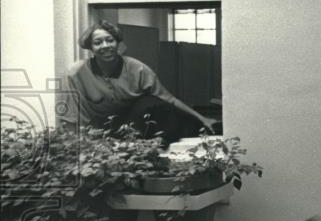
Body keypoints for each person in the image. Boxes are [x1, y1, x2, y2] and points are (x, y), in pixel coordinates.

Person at [59, 20, 217, 143]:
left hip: (133, 127)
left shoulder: (137, 69)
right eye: (98, 42)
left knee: (153, 103)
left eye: (110, 40)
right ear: (90, 47)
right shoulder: (76, 74)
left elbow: (168, 98)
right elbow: (71, 116)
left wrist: (203, 119)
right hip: (97, 132)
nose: (105, 46)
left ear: (118, 43)